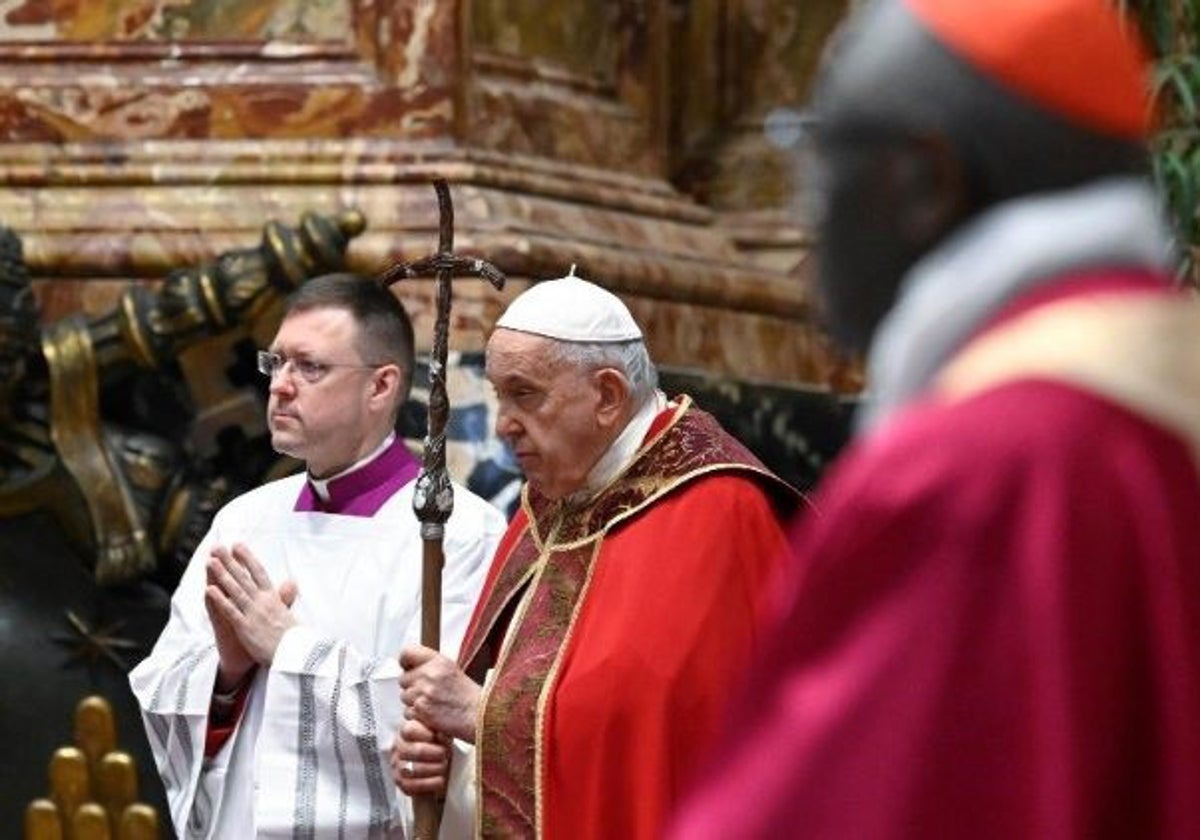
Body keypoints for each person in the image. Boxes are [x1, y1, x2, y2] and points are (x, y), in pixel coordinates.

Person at [670, 0, 1200, 837]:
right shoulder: (1152, 403)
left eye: (817, 159)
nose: (806, 219)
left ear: (922, 180)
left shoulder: (972, 471)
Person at [390, 272, 804, 838]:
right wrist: (454, 760)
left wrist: (481, 717)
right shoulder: (555, 499)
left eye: (525, 394)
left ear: (608, 396)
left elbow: (667, 737)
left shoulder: (719, 509)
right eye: (497, 395)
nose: (503, 424)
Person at [129, 273, 507, 838]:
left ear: (381, 387)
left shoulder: (459, 533)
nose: (281, 385)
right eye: (276, 362)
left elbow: (436, 727)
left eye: (310, 367)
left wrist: (286, 648)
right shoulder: (244, 521)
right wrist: (227, 673)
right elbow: (159, 690)